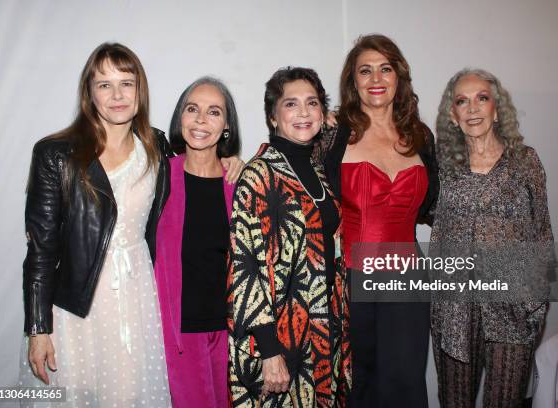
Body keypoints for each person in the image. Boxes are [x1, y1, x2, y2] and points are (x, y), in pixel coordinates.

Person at [19, 43, 243, 407]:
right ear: (89, 93)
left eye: (126, 83)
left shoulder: (154, 146)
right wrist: (38, 328)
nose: (117, 95)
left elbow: (198, 164)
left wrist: (233, 161)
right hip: (78, 308)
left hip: (140, 302)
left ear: (140, 90)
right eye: (104, 85)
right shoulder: (55, 153)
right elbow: (41, 251)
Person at [315, 34, 439, 407]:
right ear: (353, 81)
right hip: (351, 278)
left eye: (384, 68)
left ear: (398, 77)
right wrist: (233, 162)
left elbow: (436, 209)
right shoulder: (333, 134)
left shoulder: (421, 136)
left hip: (408, 279)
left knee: (405, 380)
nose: (375, 78)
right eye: (364, 71)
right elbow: (290, 175)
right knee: (359, 384)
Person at [430, 68, 555, 407]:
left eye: (481, 98)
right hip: (455, 310)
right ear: (453, 116)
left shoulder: (526, 162)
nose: (472, 109)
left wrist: (535, 304)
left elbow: (542, 232)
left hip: (513, 308)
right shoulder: (440, 167)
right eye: (462, 101)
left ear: (496, 109)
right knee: (455, 401)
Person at [227, 67, 350, 407]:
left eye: (312, 103)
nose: (303, 113)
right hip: (278, 340)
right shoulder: (259, 174)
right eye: (291, 104)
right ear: (273, 117)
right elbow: (243, 269)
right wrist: (269, 351)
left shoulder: (318, 171)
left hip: (323, 333)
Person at [154, 76, 241, 408]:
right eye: (193, 109)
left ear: (227, 126)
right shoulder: (159, 177)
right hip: (179, 333)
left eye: (214, 112)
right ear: (180, 118)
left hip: (229, 333)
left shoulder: (240, 183)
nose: (202, 120)